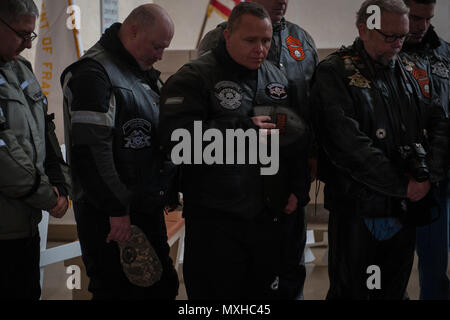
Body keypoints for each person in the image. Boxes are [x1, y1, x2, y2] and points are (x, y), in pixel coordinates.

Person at [160, 2, 307, 300]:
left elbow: (293, 141)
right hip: (216, 219)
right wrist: (242, 129)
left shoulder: (276, 79)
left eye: (266, 41)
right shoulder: (194, 77)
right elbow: (175, 141)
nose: (260, 49)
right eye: (250, 40)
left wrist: (297, 187)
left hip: (266, 216)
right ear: (227, 36)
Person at [311, 0, 448, 300]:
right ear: (364, 29)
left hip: (406, 208)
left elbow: (440, 122)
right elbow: (347, 144)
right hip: (360, 209)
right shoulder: (335, 72)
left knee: (395, 291)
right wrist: (403, 184)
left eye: (403, 35)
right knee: (356, 292)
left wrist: (427, 177)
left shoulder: (413, 70)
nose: (398, 44)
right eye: (390, 36)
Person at [198, 0, 318, 299]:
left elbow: (312, 106)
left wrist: (311, 156)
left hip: (289, 168)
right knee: (243, 274)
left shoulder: (301, 40)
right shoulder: (218, 38)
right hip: (240, 177)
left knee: (289, 262)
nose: (282, 2)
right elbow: (206, 112)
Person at [61, 4, 179, 300]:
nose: (161, 55)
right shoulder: (93, 73)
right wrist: (117, 209)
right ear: (134, 30)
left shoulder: (140, 71)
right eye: (157, 46)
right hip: (112, 214)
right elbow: (91, 150)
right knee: (120, 290)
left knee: (159, 286)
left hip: (142, 206)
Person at [0, 0, 71, 300]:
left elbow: (45, 130)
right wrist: (46, 195)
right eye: (22, 34)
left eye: (32, 36)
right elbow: (4, 157)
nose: (28, 45)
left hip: (25, 227)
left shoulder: (22, 69)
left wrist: (61, 184)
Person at [402, 0, 450, 300]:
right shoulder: (382, 51)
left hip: (441, 172)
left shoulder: (445, 52)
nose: (421, 26)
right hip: (400, 172)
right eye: (415, 17)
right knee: (393, 260)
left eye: (428, 18)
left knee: (436, 260)